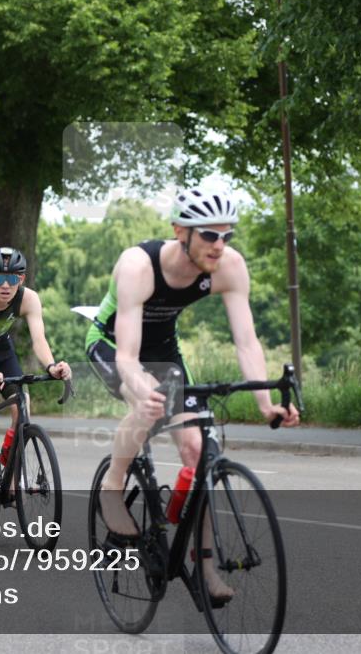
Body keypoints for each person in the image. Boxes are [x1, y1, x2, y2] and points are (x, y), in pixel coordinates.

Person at [84, 187, 301, 601]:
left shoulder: (229, 266)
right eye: (209, 235)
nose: (220, 245)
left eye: (227, 235)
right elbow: (127, 357)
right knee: (148, 403)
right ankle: (113, 487)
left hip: (165, 351)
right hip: (112, 344)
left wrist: (265, 404)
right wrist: (142, 387)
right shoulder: (138, 265)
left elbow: (246, 341)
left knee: (199, 451)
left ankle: (204, 570)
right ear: (180, 231)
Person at [0, 247, 71, 491]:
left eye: (12, 279)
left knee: (22, 403)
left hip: (3, 350)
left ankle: (8, 466)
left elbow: (39, 340)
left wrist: (51, 366)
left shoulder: (29, 299)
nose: (6, 286)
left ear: (22, 279)